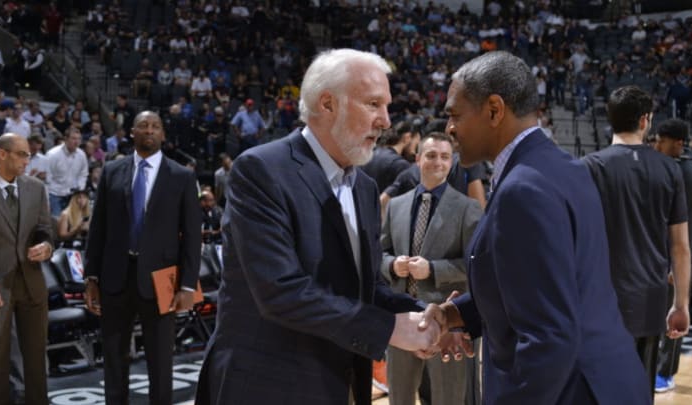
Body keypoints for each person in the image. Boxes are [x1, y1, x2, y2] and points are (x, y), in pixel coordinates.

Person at [195, 48, 440, 405]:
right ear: (327, 104)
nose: (386, 120)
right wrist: (389, 329)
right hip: (267, 386)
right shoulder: (261, 170)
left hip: (340, 383)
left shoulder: (365, 188)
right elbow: (282, 292)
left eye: (386, 106)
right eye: (373, 104)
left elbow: (364, 289)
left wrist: (426, 319)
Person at [421, 51, 651, 405]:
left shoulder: (523, 189)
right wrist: (458, 315)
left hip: (572, 391)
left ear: (494, 110)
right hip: (608, 380)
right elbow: (543, 285)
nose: (450, 128)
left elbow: (549, 337)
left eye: (455, 115)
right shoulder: (564, 166)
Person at [84, 111, 202, 405]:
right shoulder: (112, 171)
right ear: (132, 132)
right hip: (115, 277)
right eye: (143, 126)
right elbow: (98, 229)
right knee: (113, 358)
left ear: (162, 134)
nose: (149, 130)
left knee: (161, 361)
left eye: (155, 126)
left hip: (162, 280)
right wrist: (91, 277)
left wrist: (188, 285)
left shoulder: (182, 176)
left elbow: (192, 235)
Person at [583, 86, 690, 397]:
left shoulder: (589, 167)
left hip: (598, 303)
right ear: (646, 120)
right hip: (650, 300)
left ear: (610, 120)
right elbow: (681, 247)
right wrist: (680, 303)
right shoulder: (670, 170)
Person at [381, 132, 482, 405]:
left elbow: (477, 268)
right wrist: (392, 265)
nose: (438, 162)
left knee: (447, 399)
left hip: (446, 323)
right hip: (402, 320)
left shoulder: (468, 208)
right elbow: (380, 254)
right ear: (417, 159)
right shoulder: (396, 207)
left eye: (445, 156)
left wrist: (434, 270)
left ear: (452, 163)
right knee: (399, 398)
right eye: (431, 155)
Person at [0, 133, 53, 405]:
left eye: (29, 154)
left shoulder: (36, 188)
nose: (27, 160)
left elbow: (45, 229)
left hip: (31, 281)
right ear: (2, 154)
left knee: (35, 358)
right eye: (22, 154)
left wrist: (46, 246)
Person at [652, 119, 692, 392]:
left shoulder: (687, 171)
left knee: (675, 317)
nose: (657, 145)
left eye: (662, 140)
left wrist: (677, 265)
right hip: (665, 256)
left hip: (678, 259)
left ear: (678, 142)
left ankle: (666, 373)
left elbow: (689, 224)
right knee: (659, 316)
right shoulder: (670, 167)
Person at [361, 120, 419, 192]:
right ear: (407, 138)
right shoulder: (401, 165)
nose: (414, 152)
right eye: (416, 145)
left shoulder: (368, 155)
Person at [46, 127, 88, 216]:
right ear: (65, 139)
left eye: (78, 139)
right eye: (73, 138)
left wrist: (80, 188)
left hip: (72, 195)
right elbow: (47, 177)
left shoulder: (81, 155)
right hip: (55, 194)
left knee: (72, 223)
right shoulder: (52, 155)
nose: (76, 141)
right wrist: (47, 198)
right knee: (56, 222)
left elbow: (83, 174)